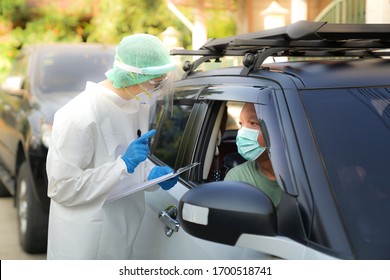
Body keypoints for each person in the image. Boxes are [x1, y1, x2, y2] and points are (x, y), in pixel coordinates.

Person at [46, 34, 178, 259]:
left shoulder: (134, 103)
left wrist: (151, 175)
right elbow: (61, 187)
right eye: (156, 81)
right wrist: (123, 165)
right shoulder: (78, 115)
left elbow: (127, 161)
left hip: (121, 234)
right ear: (135, 74)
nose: (157, 88)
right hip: (83, 242)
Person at [224, 103, 281, 206]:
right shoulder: (237, 178)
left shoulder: (307, 174)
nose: (242, 132)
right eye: (241, 124)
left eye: (253, 123)